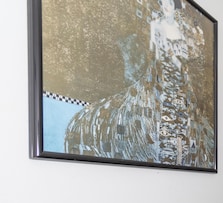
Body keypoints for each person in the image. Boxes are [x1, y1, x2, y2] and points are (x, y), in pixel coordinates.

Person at [64, 0, 215, 168]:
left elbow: (190, 49)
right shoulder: (156, 24)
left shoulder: (181, 24)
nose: (166, 6)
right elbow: (154, 49)